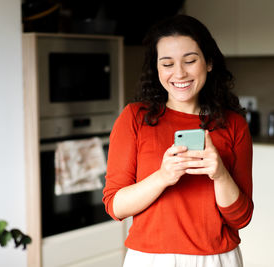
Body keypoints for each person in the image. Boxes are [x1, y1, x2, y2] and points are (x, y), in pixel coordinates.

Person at [102, 14, 253, 267]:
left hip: (217, 259)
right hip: (150, 259)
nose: (179, 73)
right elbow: (115, 206)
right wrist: (163, 176)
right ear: (157, 69)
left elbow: (241, 218)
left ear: (209, 63)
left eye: (190, 60)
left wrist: (220, 174)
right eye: (167, 63)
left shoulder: (233, 124)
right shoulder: (134, 118)